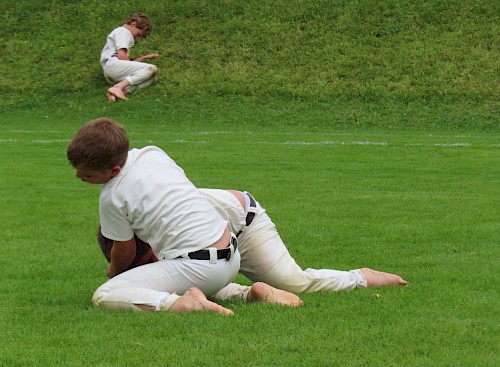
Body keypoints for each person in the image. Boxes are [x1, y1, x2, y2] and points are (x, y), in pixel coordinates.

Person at [67, 118, 301, 315]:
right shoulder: (152, 154)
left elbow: (125, 249)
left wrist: (114, 272)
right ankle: (248, 293)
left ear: (114, 171)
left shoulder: (111, 195)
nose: (78, 176)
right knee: (180, 275)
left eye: (86, 174)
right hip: (231, 254)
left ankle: (185, 304)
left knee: (105, 294)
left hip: (200, 266)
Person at [97, 188, 408, 303]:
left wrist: (118, 277)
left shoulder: (156, 221)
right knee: (190, 281)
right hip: (213, 252)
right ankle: (252, 294)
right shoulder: (136, 228)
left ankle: (361, 277)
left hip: (244, 223)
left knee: (295, 283)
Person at [100, 13, 159, 102]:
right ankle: (118, 87)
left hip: (112, 69)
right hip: (113, 65)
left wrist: (143, 58)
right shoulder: (123, 31)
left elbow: (123, 62)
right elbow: (121, 55)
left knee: (152, 79)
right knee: (152, 68)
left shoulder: (120, 32)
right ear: (133, 24)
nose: (137, 38)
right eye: (138, 34)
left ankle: (118, 92)